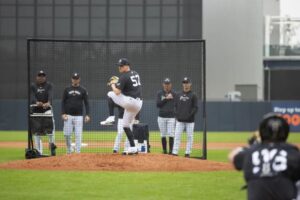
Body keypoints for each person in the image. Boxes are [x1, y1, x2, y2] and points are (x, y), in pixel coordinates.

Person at [229, 113, 300, 200]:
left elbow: (232, 155)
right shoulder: (292, 152)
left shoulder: (251, 152)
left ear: (262, 131)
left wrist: (252, 146)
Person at [106, 58, 142, 155]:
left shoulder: (124, 76)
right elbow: (129, 88)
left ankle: (111, 117)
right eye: (119, 65)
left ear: (127, 66)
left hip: (130, 102)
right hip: (138, 104)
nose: (120, 67)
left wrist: (113, 84)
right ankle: (133, 148)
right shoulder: (136, 73)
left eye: (121, 65)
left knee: (110, 94)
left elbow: (117, 92)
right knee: (125, 125)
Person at [61, 73, 90, 154]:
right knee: (67, 134)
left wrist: (87, 114)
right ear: (71, 79)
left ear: (79, 79)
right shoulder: (67, 89)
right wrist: (63, 113)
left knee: (78, 135)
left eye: (76, 78)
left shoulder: (83, 90)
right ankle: (69, 150)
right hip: (68, 115)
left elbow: (87, 103)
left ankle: (78, 152)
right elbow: (63, 102)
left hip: (79, 116)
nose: (75, 80)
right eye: (74, 78)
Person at [30, 70, 56, 156]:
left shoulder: (49, 85)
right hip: (36, 111)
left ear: (45, 77)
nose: (41, 77)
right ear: (37, 77)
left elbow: (50, 95)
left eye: (43, 76)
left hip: (46, 110)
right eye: (39, 76)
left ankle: (52, 145)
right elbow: (32, 96)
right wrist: (37, 102)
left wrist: (48, 102)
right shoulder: (33, 86)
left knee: (50, 129)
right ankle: (38, 152)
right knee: (37, 132)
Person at [172, 77, 198, 158]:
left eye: (187, 83)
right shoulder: (178, 94)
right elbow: (175, 106)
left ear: (190, 84)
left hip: (190, 121)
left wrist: (189, 115)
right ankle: (175, 152)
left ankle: (187, 153)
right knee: (177, 136)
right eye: (184, 83)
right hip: (179, 120)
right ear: (182, 84)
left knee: (190, 137)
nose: (185, 84)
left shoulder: (193, 95)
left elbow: (195, 107)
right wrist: (177, 115)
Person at [156, 78, 176, 154]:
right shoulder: (160, 93)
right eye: (165, 84)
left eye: (168, 84)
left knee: (171, 134)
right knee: (163, 134)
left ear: (170, 85)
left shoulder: (174, 94)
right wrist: (166, 98)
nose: (167, 85)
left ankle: (171, 151)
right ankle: (164, 151)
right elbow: (158, 104)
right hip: (161, 117)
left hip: (171, 117)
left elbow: (177, 104)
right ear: (163, 84)